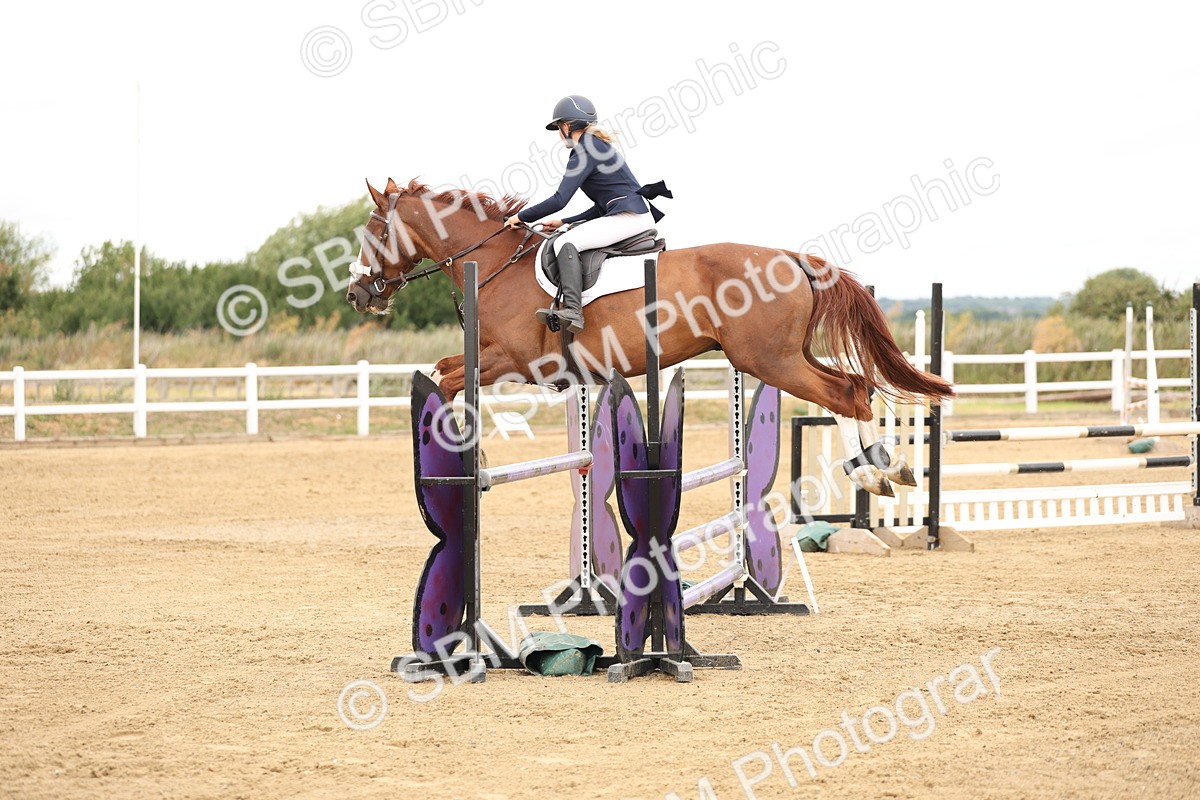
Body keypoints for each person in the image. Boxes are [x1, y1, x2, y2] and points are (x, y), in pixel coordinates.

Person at [505, 95, 668, 333]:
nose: (559, 134)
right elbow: (601, 207)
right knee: (567, 232)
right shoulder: (596, 146)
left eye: (558, 128)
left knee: (565, 242)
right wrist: (564, 221)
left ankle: (573, 310)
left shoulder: (584, 150)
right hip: (631, 213)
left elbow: (560, 199)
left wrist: (521, 217)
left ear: (566, 126)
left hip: (630, 216)